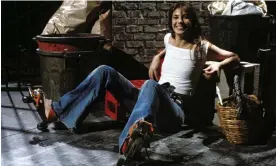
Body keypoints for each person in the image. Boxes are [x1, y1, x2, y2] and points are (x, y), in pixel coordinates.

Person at [31, 2, 240, 160]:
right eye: (175, 17)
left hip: (174, 110)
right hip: (149, 98)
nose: (179, 21)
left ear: (192, 21)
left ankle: (127, 143)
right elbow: (169, 51)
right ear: (171, 21)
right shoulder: (168, 39)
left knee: (151, 85)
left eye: (185, 17)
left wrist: (218, 65)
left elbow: (234, 56)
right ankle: (56, 111)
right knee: (105, 71)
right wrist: (158, 57)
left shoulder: (202, 46)